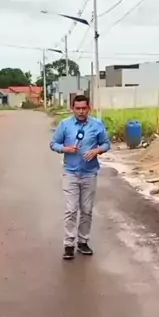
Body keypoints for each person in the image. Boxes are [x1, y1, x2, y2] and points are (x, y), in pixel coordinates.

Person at [50, 95, 111, 260]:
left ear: (89, 108)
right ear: (73, 109)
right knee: (71, 209)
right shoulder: (65, 125)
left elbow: (106, 144)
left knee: (87, 210)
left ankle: (83, 242)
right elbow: (53, 144)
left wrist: (97, 150)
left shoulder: (97, 125)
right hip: (70, 173)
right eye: (78, 108)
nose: (81, 111)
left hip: (89, 173)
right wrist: (65, 149)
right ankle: (69, 244)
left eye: (84, 108)